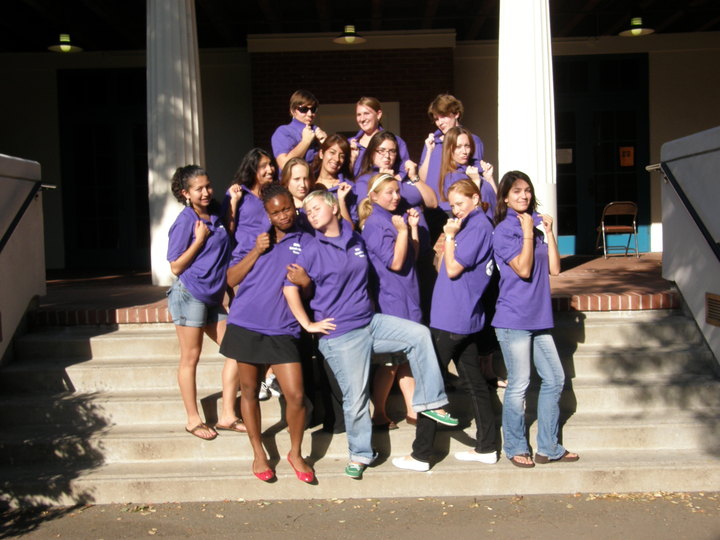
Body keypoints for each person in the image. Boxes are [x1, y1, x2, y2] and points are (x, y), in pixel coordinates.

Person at [283, 189, 458, 480]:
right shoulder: (311, 248)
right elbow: (289, 287)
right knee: (356, 399)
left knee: (418, 335)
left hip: (371, 323)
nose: (310, 214)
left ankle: (429, 401)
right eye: (307, 211)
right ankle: (360, 455)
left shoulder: (355, 240)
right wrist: (308, 324)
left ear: (333, 209)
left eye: (315, 208)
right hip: (341, 335)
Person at [392, 179, 498, 472]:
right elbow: (447, 265)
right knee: (475, 384)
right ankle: (487, 446)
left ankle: (422, 454)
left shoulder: (477, 226)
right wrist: (450, 238)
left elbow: (452, 269)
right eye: (452, 205)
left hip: (453, 318)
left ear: (475, 199)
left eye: (461, 203)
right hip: (461, 317)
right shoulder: (472, 225)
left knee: (428, 384)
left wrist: (450, 236)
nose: (456, 210)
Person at [219, 183, 315, 483]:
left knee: (296, 395)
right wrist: (256, 251)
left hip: (283, 327)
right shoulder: (253, 237)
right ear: (267, 214)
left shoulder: (307, 239)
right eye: (276, 212)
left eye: (286, 208)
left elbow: (312, 289)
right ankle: (258, 452)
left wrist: (305, 281)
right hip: (246, 322)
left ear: (293, 206)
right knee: (248, 391)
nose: (283, 215)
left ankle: (296, 452)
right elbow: (231, 278)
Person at [492, 171, 579, 468]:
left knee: (555, 379)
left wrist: (549, 232)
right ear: (505, 197)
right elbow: (524, 269)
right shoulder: (504, 231)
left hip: (539, 318)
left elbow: (555, 270)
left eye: (527, 191)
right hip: (513, 318)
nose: (524, 196)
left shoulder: (538, 228)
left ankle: (548, 447)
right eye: (517, 191)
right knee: (519, 384)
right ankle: (515, 446)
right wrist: (528, 232)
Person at [166, 165, 243, 441]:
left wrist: (232, 203)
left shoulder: (215, 214)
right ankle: (193, 419)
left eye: (208, 186)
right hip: (190, 294)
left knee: (235, 349)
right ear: (185, 193)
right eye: (199, 188)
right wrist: (198, 241)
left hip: (213, 296)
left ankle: (227, 415)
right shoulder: (185, 221)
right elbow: (175, 266)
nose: (206, 192)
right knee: (191, 357)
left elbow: (228, 233)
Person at [358, 173, 422, 429]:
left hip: (408, 294)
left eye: (397, 191)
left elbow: (411, 257)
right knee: (390, 362)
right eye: (389, 192)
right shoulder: (376, 223)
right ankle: (379, 413)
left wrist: (412, 229)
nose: (396, 197)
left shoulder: (394, 220)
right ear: (373, 196)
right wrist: (403, 231)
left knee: (403, 359)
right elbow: (394, 262)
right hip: (392, 300)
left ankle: (412, 410)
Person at [226, 148, 280, 401]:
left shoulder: (272, 196)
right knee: (248, 327)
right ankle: (254, 379)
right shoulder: (240, 194)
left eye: (271, 165)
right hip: (244, 264)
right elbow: (227, 227)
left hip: (266, 265)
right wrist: (234, 204)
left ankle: (268, 374)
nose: (270, 169)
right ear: (252, 170)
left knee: (267, 321)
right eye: (264, 166)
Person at [418, 94, 485, 240]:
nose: (439, 122)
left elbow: (474, 176)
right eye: (436, 118)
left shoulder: (472, 140)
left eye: (443, 116)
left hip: (455, 210)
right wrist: (429, 151)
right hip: (431, 210)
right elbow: (421, 178)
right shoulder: (432, 142)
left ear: (456, 114)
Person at [438, 126, 497, 218]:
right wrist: (476, 182)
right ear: (449, 149)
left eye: (467, 146)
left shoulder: (473, 170)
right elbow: (468, 212)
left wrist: (489, 178)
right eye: (458, 147)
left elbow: (496, 202)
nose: (464, 151)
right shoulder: (453, 177)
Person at [349, 96, 414, 177]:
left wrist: (394, 179)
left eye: (366, 113)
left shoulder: (395, 141)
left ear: (378, 115)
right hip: (357, 189)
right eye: (359, 114)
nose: (362, 119)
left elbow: (405, 169)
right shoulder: (350, 144)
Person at [271, 89, 327, 171]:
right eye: (304, 109)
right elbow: (284, 165)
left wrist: (326, 144)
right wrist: (305, 142)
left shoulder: (318, 132)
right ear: (293, 111)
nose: (310, 114)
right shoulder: (283, 132)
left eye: (313, 109)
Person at [311, 134, 356, 225]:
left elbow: (351, 227)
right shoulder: (308, 183)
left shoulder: (347, 187)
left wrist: (341, 200)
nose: (336, 159)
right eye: (332, 152)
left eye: (342, 156)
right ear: (321, 154)